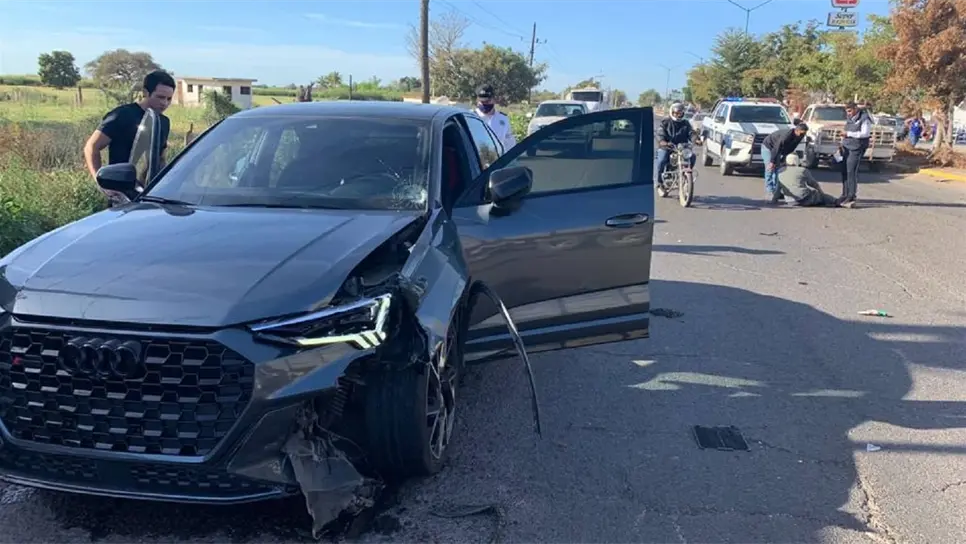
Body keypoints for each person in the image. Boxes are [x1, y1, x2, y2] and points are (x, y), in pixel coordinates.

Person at [83, 70, 175, 204]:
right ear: (145, 93)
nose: (165, 103)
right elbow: (92, 147)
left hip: (147, 195)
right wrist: (101, 184)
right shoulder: (122, 115)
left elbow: (160, 158)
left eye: (169, 99)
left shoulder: (164, 122)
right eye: (160, 97)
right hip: (119, 195)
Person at [761, 122, 809, 204]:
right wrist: (772, 162)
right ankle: (770, 190)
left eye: (804, 133)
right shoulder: (786, 136)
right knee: (770, 169)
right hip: (768, 147)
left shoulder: (800, 136)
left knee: (778, 170)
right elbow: (776, 148)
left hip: (778, 149)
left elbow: (792, 147)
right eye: (801, 133)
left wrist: (784, 157)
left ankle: (776, 191)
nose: (802, 135)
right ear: (797, 131)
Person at [655, 102, 700, 188]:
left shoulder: (686, 123)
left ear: (683, 113)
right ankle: (659, 181)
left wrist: (696, 139)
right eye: (675, 113)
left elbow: (691, 133)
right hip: (667, 147)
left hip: (682, 147)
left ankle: (685, 174)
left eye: (679, 113)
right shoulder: (666, 122)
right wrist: (662, 141)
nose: (677, 115)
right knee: (662, 159)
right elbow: (660, 132)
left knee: (692, 156)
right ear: (672, 112)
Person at [838, 101, 872, 209]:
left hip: (857, 147)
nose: (848, 113)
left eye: (850, 111)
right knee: (844, 170)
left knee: (851, 171)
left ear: (855, 109)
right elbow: (845, 131)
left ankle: (851, 195)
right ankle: (844, 194)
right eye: (847, 111)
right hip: (846, 147)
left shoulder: (864, 119)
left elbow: (865, 134)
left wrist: (848, 134)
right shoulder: (849, 119)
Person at [471, 84, 516, 150]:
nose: (485, 104)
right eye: (482, 102)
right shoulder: (470, 117)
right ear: (477, 100)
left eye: (487, 101)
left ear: (494, 100)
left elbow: (510, 144)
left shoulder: (503, 119)